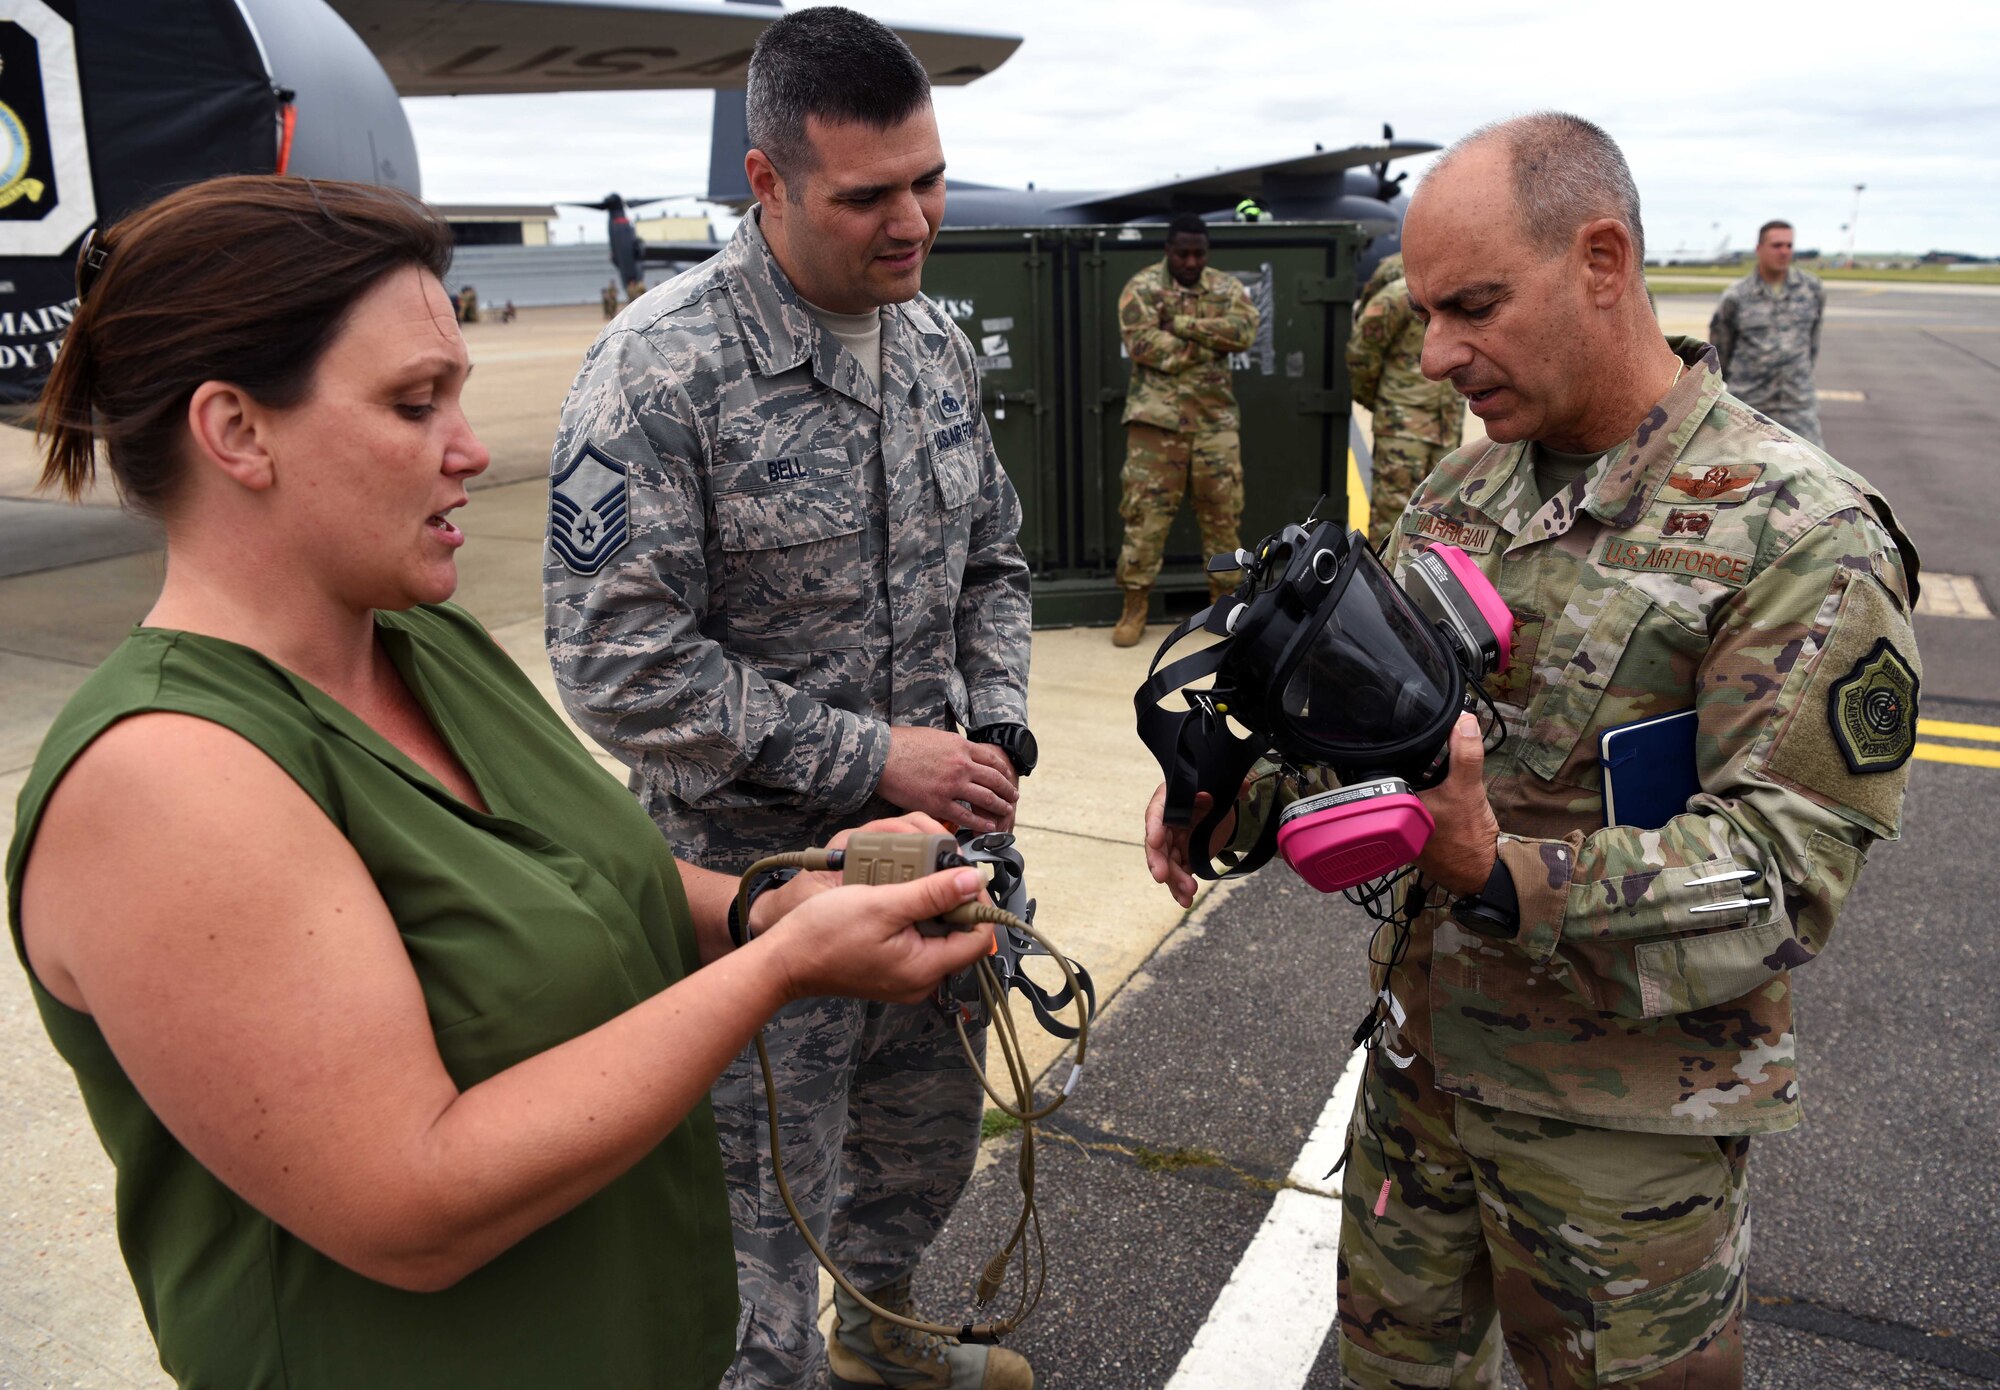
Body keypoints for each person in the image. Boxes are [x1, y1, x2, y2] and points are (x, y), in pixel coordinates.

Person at [9, 175, 999, 1390]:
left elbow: (583, 882)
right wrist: (779, 967)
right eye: (414, 404)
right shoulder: (164, 782)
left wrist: (764, 903)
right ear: (236, 431)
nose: (470, 451)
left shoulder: (420, 648)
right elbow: (410, 1202)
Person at [1147, 113, 1920, 1389]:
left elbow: (1783, 874)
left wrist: (1502, 870)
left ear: (1602, 261)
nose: (1438, 353)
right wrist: (1234, 789)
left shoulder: (1796, 530)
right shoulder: (1462, 494)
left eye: (1473, 308)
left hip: (1618, 1141)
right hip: (1419, 1080)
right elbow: (1377, 755)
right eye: (1424, 312)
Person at [542, 10, 1035, 1389]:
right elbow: (612, 656)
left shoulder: (932, 342)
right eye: (866, 196)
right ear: (765, 183)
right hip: (755, 896)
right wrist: (872, 755)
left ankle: (885, 1335)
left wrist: (991, 730)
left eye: (927, 179)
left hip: (942, 868)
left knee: (920, 1152)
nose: (913, 221)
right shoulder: (660, 371)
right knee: (755, 1239)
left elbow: (995, 559)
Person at [1110, 212, 1261, 646]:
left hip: (1215, 425)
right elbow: (1143, 345)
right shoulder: (1140, 288)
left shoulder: (1227, 288)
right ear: (1168, 250)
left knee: (1223, 519)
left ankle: (1224, 605)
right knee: (1145, 518)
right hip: (1156, 426)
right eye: (1183, 253)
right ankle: (1134, 604)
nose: (1191, 262)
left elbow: (1244, 331)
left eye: (1199, 254)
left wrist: (1179, 325)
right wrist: (1209, 345)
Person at [1347, 251, 1464, 546]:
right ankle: (1379, 589)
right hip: (1403, 427)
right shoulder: (1398, 294)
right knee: (1391, 518)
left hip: (1445, 422)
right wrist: (1386, 404)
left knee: (1444, 518)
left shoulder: (1460, 284)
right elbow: (1362, 356)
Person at [1708, 220, 1827, 445]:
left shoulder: (1811, 289)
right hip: (1750, 407)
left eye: (1789, 246)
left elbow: (1812, 344)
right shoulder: (1737, 296)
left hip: (1798, 406)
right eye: (1777, 245)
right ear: (1759, 249)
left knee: (1814, 473)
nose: (1784, 252)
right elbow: (1720, 352)